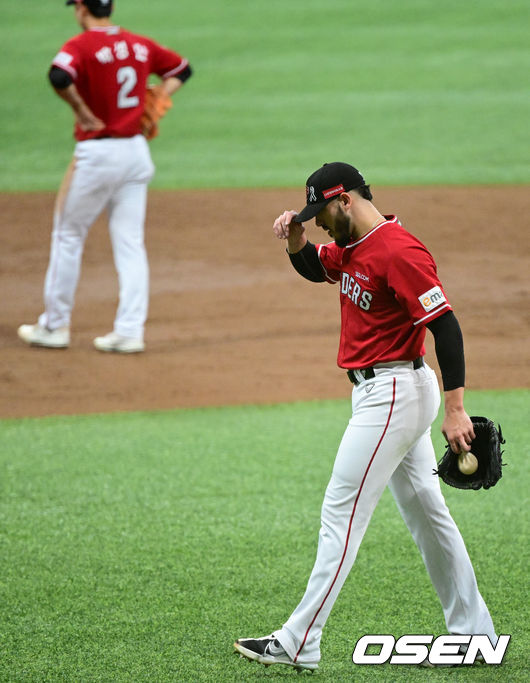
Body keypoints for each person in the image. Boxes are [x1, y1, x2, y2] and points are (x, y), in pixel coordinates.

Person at [234, 162, 497, 671]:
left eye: (322, 213)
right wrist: (294, 241)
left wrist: (457, 409)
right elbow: (318, 267)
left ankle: (299, 640)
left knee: (341, 513)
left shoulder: (398, 251)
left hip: (395, 394)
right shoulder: (353, 247)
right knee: (428, 514)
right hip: (383, 393)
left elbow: (447, 327)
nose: (320, 224)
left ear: (345, 199)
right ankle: (474, 635)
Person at [18, 0, 192, 353]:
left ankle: (54, 326)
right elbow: (183, 69)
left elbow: (58, 75)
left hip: (98, 154)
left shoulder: (81, 45)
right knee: (130, 242)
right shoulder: (139, 44)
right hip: (135, 153)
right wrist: (159, 94)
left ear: (82, 8)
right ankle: (129, 331)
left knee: (67, 234)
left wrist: (81, 110)